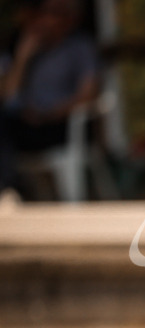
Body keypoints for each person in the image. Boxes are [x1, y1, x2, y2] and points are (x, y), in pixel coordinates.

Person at [0, 0, 99, 193]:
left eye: (55, 13)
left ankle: (9, 189)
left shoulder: (80, 47)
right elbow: (7, 95)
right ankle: (7, 190)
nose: (46, 19)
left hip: (60, 124)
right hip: (22, 124)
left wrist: (49, 114)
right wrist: (23, 57)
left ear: (70, 19)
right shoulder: (18, 47)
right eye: (42, 12)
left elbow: (89, 94)